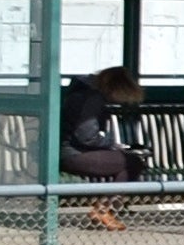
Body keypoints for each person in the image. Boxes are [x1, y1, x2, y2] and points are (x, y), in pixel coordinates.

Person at [59, 63, 148, 229]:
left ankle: (104, 209)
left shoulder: (81, 92)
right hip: (74, 155)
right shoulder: (91, 98)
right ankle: (104, 209)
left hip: (68, 152)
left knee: (129, 162)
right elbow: (87, 137)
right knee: (133, 162)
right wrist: (112, 144)